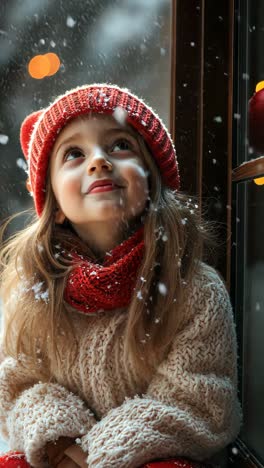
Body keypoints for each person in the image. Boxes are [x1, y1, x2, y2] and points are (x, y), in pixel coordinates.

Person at [0, 84, 241, 468]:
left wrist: (97, 455)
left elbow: (196, 401)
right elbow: (21, 385)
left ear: (151, 178)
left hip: (151, 459)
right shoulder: (36, 292)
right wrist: (63, 444)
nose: (98, 161)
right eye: (74, 154)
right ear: (55, 204)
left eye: (119, 145)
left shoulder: (195, 290)